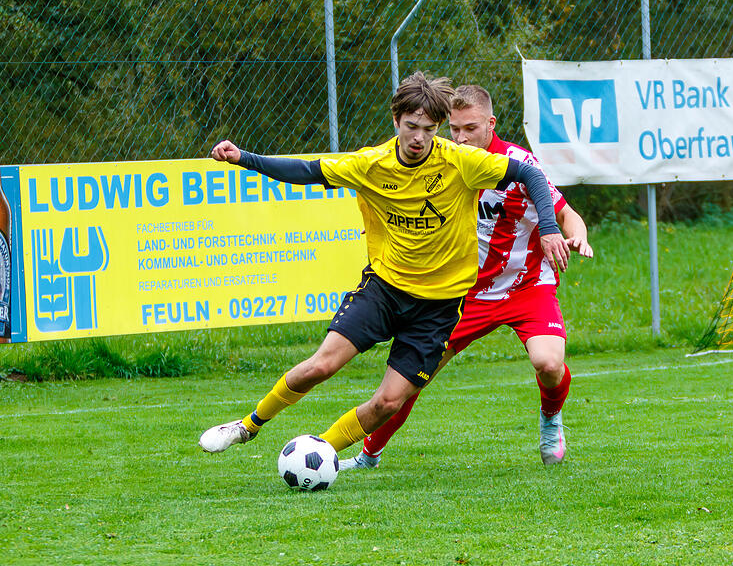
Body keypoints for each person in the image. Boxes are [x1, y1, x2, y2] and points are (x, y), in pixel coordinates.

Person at [198, 72, 570, 457]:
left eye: (429, 129)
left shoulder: (460, 161)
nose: (419, 138)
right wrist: (243, 158)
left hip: (439, 307)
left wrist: (548, 228)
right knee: (321, 366)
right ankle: (246, 426)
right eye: (411, 127)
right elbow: (307, 172)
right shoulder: (371, 164)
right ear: (396, 121)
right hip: (385, 289)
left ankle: (322, 453)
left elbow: (529, 173)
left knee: (388, 402)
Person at [340, 84, 593, 469]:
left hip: (526, 287)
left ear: (491, 124)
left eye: (470, 128)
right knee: (413, 378)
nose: (460, 137)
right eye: (454, 129)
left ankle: (550, 419)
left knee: (549, 363)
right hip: (464, 295)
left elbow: (565, 213)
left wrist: (575, 235)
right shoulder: (442, 161)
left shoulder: (518, 163)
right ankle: (369, 455)